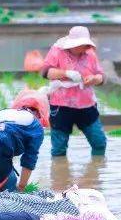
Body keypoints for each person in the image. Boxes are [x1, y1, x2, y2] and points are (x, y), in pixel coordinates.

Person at [41, 26, 107, 158]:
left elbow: (101, 76)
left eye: (84, 44)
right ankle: (60, 177)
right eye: (79, 44)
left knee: (99, 143)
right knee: (59, 148)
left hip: (86, 105)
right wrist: (66, 73)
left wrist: (94, 79)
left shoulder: (90, 54)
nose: (82, 47)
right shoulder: (57, 51)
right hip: (61, 106)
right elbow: (46, 72)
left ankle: (96, 172)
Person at [0, 90, 48, 193]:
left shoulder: (1, 112)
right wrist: (21, 187)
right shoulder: (35, 125)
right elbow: (29, 159)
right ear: (39, 113)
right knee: (9, 196)